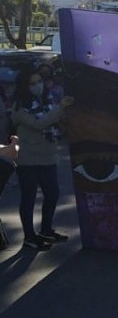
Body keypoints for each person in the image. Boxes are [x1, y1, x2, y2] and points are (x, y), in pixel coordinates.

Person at [11, 68, 74, 251]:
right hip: (28, 159)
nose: (37, 86)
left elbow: (53, 121)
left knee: (52, 193)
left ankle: (46, 229)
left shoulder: (47, 101)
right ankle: (29, 237)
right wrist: (60, 107)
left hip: (48, 156)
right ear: (24, 86)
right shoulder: (19, 106)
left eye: (39, 81)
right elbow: (40, 123)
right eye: (32, 83)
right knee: (29, 197)